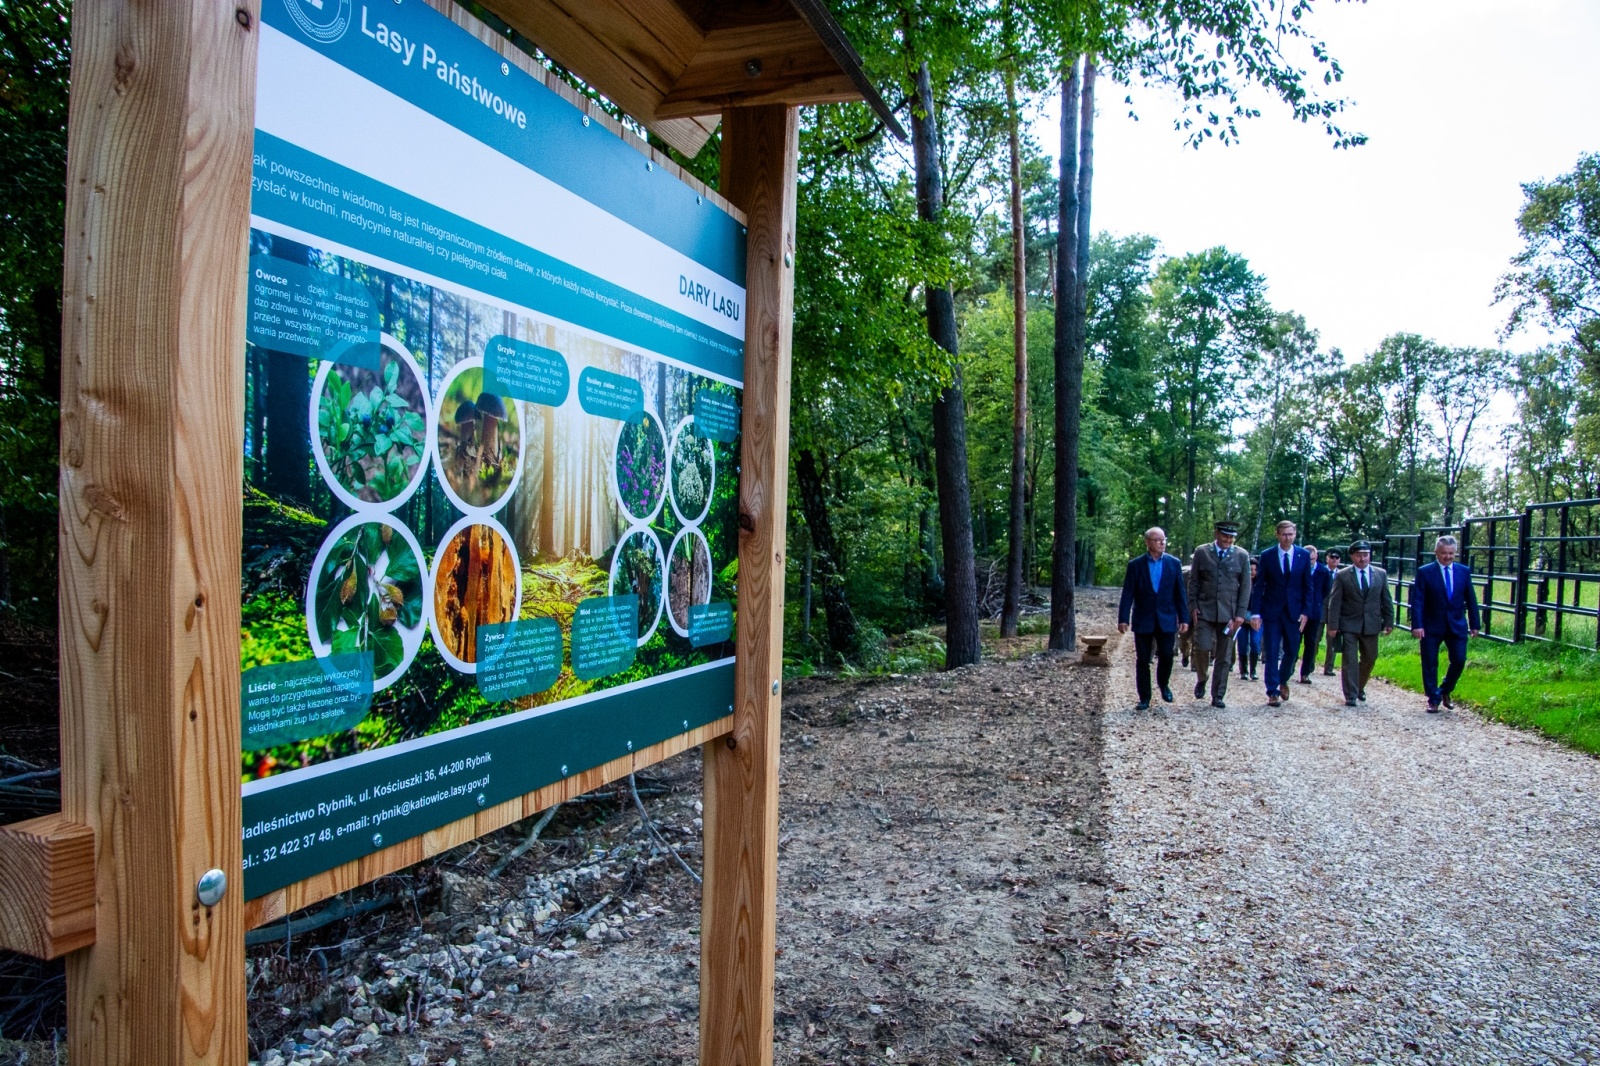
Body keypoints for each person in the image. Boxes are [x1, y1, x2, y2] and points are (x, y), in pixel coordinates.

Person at [1118, 527, 1190, 710]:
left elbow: (1180, 593)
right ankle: (1144, 697)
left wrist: (1184, 618)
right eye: (1157, 540)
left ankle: (1163, 684)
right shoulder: (1136, 565)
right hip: (1144, 617)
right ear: (1148, 543)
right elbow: (1128, 593)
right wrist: (1123, 617)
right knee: (1143, 659)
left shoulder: (1174, 564)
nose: (1162, 543)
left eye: (1164, 539)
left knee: (1167, 654)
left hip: (1166, 617)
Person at [1409, 534, 1481, 712]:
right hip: (1431, 625)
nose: (1447, 557)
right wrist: (1417, 624)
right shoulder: (1425, 572)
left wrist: (1475, 624)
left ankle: (1445, 690)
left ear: (1455, 553)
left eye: (1451, 553)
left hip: (1456, 624)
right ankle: (1433, 698)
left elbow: (1471, 599)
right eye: (1444, 553)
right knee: (1430, 662)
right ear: (1436, 553)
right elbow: (1417, 600)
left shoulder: (1463, 571)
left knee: (1459, 659)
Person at [1187, 520, 1252, 709]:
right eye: (1225, 536)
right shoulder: (1202, 552)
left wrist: (1240, 614)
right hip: (1205, 611)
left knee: (1224, 656)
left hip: (1229, 614)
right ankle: (1202, 677)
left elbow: (1246, 586)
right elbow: (1194, 582)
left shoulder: (1241, 555)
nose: (1228, 539)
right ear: (1216, 533)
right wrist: (1193, 606)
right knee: (1201, 647)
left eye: (1231, 537)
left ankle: (1218, 694)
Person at [1248, 519, 1313, 707]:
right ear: (1277, 534)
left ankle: (1283, 678)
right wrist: (1256, 613)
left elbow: (1308, 586)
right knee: (1272, 649)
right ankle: (1272, 691)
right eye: (1284, 534)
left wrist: (1305, 611)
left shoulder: (1302, 555)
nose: (1287, 538)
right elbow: (1259, 586)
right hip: (1272, 611)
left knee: (1292, 649)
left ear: (1295, 534)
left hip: (1294, 612)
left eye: (1291, 534)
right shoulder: (1267, 555)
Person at [1325, 540, 1394, 707]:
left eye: (1365, 555)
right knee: (1350, 659)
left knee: (1370, 658)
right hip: (1349, 623)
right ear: (1352, 557)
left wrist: (1389, 621)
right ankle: (1351, 695)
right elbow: (1335, 602)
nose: (1362, 559)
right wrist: (1333, 625)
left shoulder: (1380, 574)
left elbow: (1386, 599)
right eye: (1358, 555)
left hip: (1371, 624)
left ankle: (1359, 685)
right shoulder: (1343, 575)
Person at [1297, 546, 1331, 684]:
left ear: (1316, 557)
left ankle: (1305, 672)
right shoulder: (1298, 569)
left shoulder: (1323, 571)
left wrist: (1315, 602)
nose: (1310, 561)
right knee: (1295, 640)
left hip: (1314, 612)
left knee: (1311, 642)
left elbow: (1325, 590)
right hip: (1299, 611)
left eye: (1312, 558)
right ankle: (1291, 665)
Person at [1236, 559, 1262, 680]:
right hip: (1242, 618)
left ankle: (1253, 669)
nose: (1252, 572)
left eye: (1255, 569)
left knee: (1255, 643)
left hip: (1257, 618)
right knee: (1242, 644)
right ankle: (1244, 670)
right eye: (1250, 569)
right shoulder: (1240, 584)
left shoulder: (1262, 584)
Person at [1320, 548, 1343, 675]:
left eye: (1337, 558)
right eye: (1332, 557)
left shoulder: (1342, 574)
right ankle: (1309, 666)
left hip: (1334, 611)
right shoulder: (1321, 571)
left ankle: (1329, 667)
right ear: (1327, 558)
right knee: (1314, 639)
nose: (1334, 560)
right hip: (1320, 608)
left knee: (1332, 640)